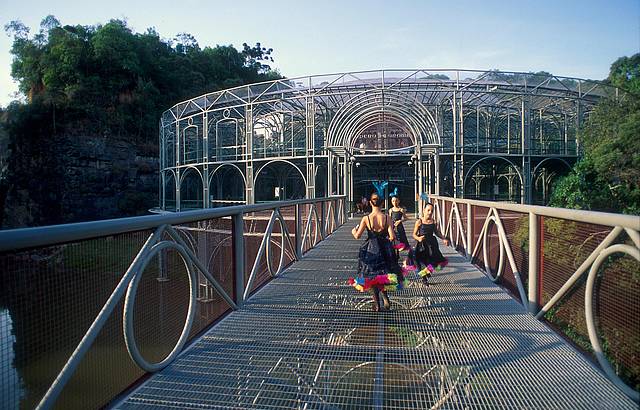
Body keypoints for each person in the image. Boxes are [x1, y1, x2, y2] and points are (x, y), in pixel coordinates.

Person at [350, 192, 404, 311]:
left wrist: (353, 231)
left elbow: (357, 236)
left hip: (371, 249)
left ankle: (377, 304)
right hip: (384, 248)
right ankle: (386, 299)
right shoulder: (387, 217)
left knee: (372, 277)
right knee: (383, 275)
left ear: (370, 203)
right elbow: (392, 236)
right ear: (382, 203)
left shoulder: (366, 218)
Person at [412, 202, 449, 285]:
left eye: (431, 211)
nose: (430, 212)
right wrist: (418, 238)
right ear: (424, 210)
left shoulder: (433, 221)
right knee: (422, 261)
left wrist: (444, 238)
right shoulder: (419, 221)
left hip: (431, 244)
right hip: (421, 244)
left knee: (434, 261)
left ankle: (426, 274)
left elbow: (437, 232)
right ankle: (424, 278)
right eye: (428, 210)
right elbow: (413, 234)